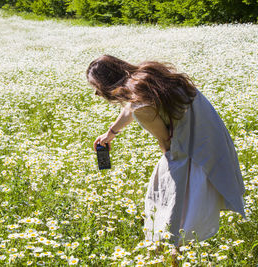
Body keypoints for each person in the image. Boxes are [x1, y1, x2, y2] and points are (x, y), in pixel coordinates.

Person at [87, 55, 246, 246]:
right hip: (208, 129)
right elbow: (130, 106)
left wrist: (171, 167)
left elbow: (166, 141)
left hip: (192, 144)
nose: (97, 93)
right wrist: (111, 133)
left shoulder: (141, 105)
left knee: (168, 197)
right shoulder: (145, 75)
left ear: (107, 84)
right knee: (179, 194)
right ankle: (172, 244)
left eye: (97, 88)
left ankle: (171, 247)